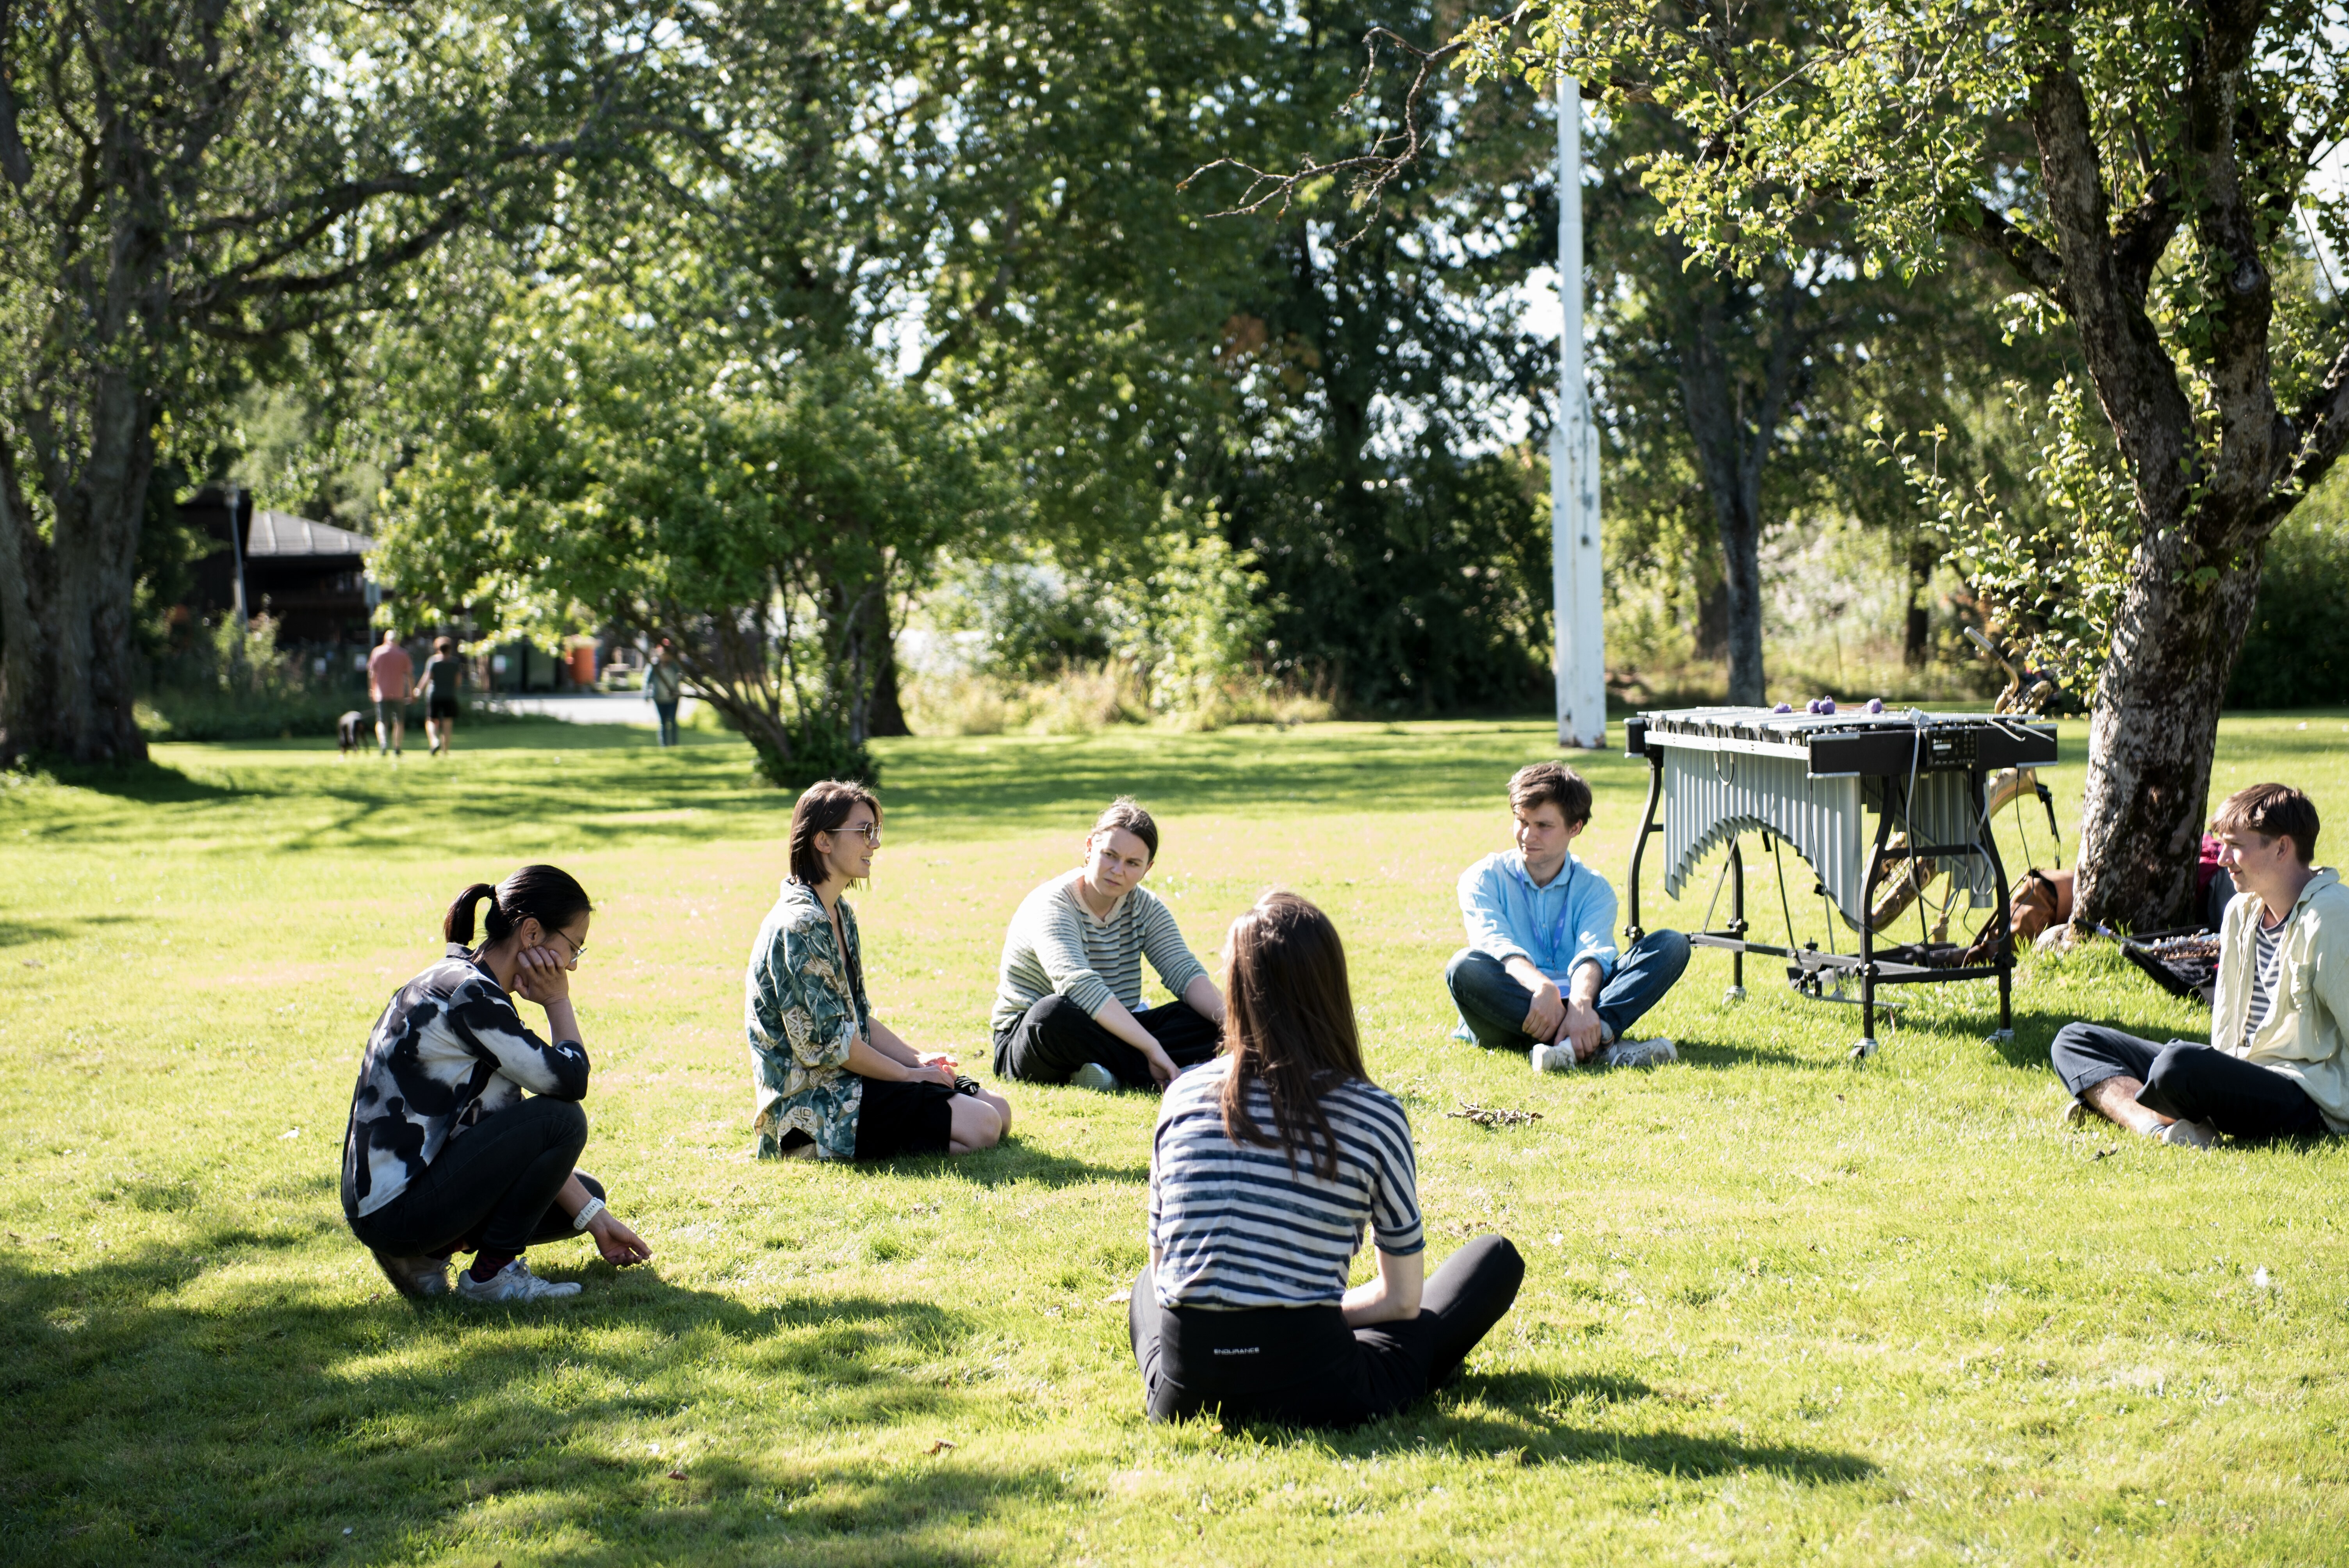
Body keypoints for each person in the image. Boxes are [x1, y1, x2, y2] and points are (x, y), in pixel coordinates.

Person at [1129, 891, 1524, 1427]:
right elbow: (1402, 1301)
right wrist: (1306, 1317)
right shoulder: (1374, 1112)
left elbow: (1163, 1275)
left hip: (1186, 1389)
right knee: (1494, 1258)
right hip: (1318, 1387)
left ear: (1235, 988)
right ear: (1332, 985)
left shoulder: (1180, 1097)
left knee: (1145, 1289)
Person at [342, 865, 654, 1302]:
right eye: (573, 948)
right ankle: (492, 1275)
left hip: (388, 1205)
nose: (572, 965)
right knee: (563, 1120)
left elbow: (511, 1131)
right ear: (531, 933)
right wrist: (557, 1000)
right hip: (398, 1211)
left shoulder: (457, 977)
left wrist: (597, 1220)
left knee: (586, 1198)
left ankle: (427, 1254)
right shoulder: (472, 996)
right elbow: (570, 1082)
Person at [2053, 784, 2349, 1147]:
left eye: (2235, 846)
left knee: (2178, 1066)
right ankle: (2155, 1126)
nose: (2222, 859)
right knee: (2074, 1040)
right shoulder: (2241, 911)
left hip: (2304, 1095)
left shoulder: (2332, 916)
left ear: (2282, 848)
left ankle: (2121, 1105)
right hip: (2239, 1070)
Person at [748, 780, 1013, 1160]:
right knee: (983, 1125)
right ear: (823, 840)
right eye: (864, 831)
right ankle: (811, 1149)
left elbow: (856, 1019)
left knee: (999, 1111)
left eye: (876, 831)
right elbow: (836, 1045)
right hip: (812, 1106)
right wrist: (910, 1076)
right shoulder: (800, 925)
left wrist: (919, 1060)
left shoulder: (838, 912)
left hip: (851, 1080)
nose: (874, 843)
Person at [1445, 761, 1690, 1072]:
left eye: (1543, 826)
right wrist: (1543, 987)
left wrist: (1581, 1003)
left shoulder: (1595, 888)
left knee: (1672, 944)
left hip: (1582, 1001)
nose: (1527, 835)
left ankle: (1571, 1042)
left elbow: (1594, 953)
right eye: (1522, 821)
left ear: (1575, 828)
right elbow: (1496, 945)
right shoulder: (1482, 878)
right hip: (1513, 1004)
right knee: (1464, 967)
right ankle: (1598, 1042)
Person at [991, 798, 1226, 1092]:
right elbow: (1078, 984)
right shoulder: (1052, 904)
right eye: (1110, 855)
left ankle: (1105, 1073)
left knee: (1205, 1017)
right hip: (1034, 1041)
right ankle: (1157, 1071)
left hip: (1114, 1032)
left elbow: (1185, 972)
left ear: (1147, 869)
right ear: (1090, 847)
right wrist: (1151, 1047)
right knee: (1052, 1014)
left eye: (1132, 863)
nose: (1118, 870)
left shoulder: (1146, 907)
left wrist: (1241, 1028)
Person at [366, 628, 413, 760]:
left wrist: (372, 690)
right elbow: (409, 675)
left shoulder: (377, 652)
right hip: (399, 693)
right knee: (399, 722)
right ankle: (397, 748)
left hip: (381, 693)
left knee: (382, 721)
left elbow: (372, 674)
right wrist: (411, 691)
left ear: (385, 639)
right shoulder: (403, 653)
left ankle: (383, 742)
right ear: (397, 640)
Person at [414, 636, 463, 757]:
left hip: (434, 695)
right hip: (450, 696)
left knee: (431, 720)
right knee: (447, 722)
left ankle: (434, 741)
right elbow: (458, 682)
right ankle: (445, 751)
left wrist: (418, 690)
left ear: (437, 648)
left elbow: (427, 677)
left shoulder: (433, 661)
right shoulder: (455, 663)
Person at [646, 639, 684, 748]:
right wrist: (647, 694)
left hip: (673, 698)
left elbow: (682, 674)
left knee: (673, 721)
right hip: (659, 698)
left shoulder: (674, 665)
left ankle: (674, 744)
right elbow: (647, 680)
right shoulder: (655, 666)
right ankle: (664, 745)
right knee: (663, 722)